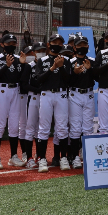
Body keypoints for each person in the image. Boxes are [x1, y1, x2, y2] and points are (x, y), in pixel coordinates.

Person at [0, 34, 26, 170]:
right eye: (9, 42)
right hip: (2, 91)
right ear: (2, 44)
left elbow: (21, 78)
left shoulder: (18, 58)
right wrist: (6, 65)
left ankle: (13, 156)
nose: (12, 45)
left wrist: (23, 65)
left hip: (15, 91)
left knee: (14, 125)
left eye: (14, 43)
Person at [35, 34, 71, 172]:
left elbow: (68, 80)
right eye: (54, 42)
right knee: (43, 128)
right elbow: (39, 79)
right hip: (46, 94)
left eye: (60, 42)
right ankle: (43, 159)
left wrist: (60, 67)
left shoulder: (66, 60)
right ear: (49, 44)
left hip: (62, 94)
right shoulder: (42, 60)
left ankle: (63, 158)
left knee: (62, 127)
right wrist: (52, 67)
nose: (57, 44)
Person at [68, 36, 96, 168]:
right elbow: (67, 80)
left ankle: (87, 155)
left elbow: (97, 78)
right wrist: (74, 72)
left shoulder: (92, 61)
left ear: (88, 46)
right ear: (74, 47)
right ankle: (74, 158)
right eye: (79, 45)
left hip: (89, 94)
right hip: (75, 94)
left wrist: (90, 69)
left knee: (88, 128)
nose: (82, 47)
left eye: (84, 44)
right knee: (75, 128)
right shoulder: (70, 61)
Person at [18, 43, 43, 168]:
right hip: (32, 98)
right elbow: (24, 84)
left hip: (44, 99)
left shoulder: (47, 65)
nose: (41, 52)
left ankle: (39, 155)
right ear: (34, 53)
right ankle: (28, 158)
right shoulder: (30, 66)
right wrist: (39, 90)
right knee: (30, 129)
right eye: (38, 50)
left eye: (43, 50)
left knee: (40, 130)